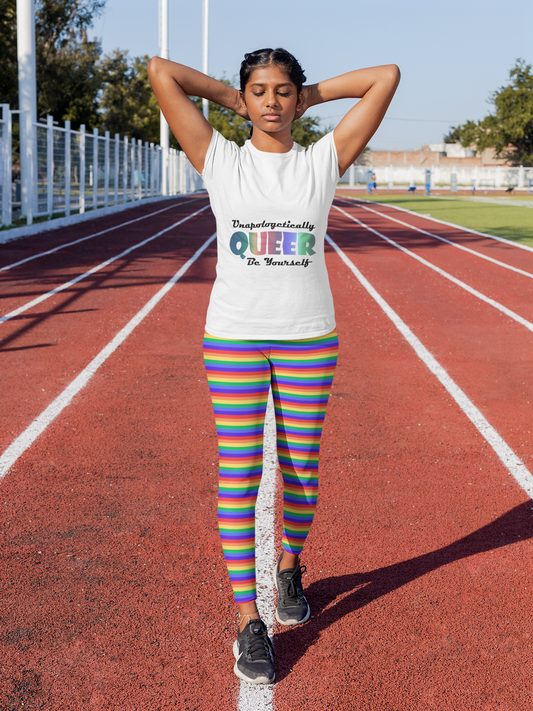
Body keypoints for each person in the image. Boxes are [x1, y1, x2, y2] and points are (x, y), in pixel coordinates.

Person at [148, 48, 400, 685]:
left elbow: (385, 77)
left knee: (298, 468)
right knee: (239, 472)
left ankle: (290, 563)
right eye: (258, 91)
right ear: (243, 98)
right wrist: (230, 99)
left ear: (297, 99)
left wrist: (311, 95)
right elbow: (161, 72)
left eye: (282, 92)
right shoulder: (221, 159)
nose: (270, 102)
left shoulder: (322, 160)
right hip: (233, 337)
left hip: (308, 337)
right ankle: (246, 618)